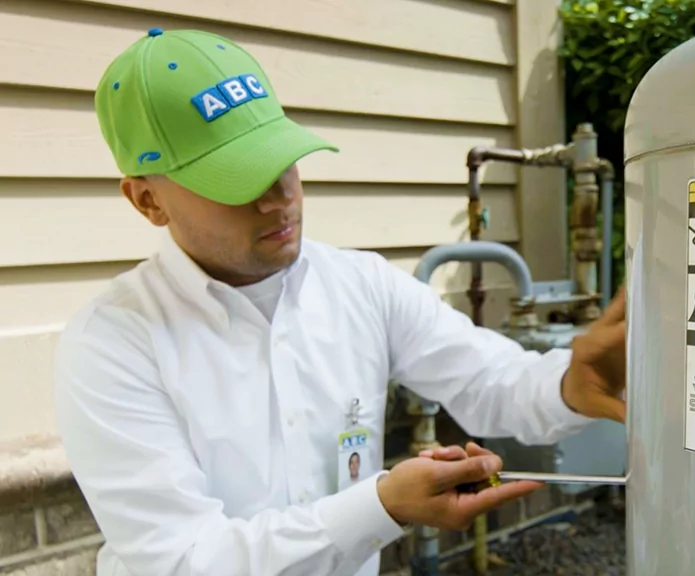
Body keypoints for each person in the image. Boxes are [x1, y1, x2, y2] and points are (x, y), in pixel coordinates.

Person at [52, 27, 627, 576]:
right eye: (237, 178)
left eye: (282, 161)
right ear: (148, 200)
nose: (279, 197)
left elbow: (489, 379)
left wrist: (569, 384)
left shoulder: (359, 283)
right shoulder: (112, 343)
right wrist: (381, 506)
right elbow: (186, 560)